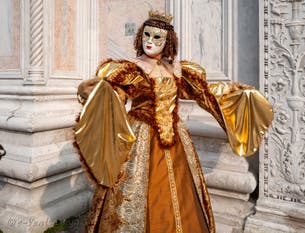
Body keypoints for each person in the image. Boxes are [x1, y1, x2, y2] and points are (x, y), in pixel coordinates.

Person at [74, 10, 273, 233]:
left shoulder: (177, 70)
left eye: (157, 37)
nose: (150, 41)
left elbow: (205, 94)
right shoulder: (133, 69)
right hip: (142, 137)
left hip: (177, 138)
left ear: (168, 42)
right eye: (146, 35)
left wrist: (236, 93)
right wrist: (97, 92)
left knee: (182, 193)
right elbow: (117, 94)